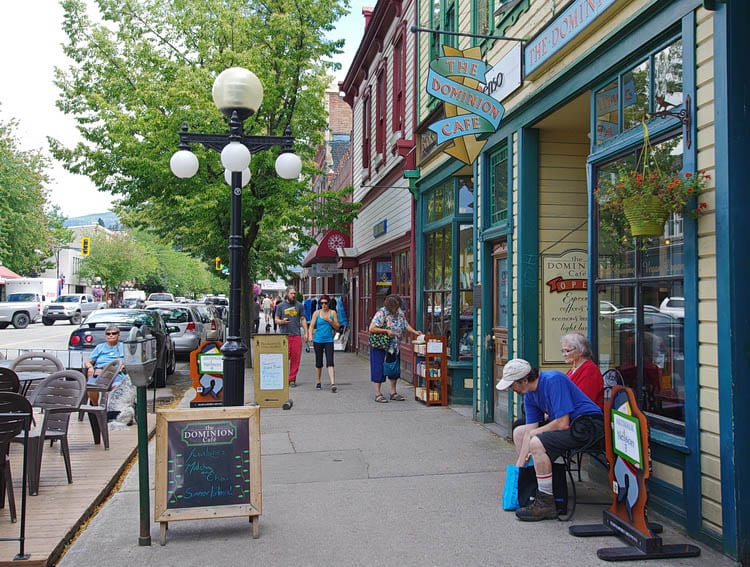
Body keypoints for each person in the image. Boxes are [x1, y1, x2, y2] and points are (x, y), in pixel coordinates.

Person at [497, 358, 603, 521]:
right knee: (520, 432)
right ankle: (532, 487)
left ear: (524, 380)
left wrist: (535, 434)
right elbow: (530, 430)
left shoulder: (553, 380)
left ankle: (546, 502)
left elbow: (562, 423)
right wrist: (520, 466)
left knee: (536, 442)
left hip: (588, 425)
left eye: (512, 385)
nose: (511, 389)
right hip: (572, 426)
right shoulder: (529, 394)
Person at [368, 294, 421, 403]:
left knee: (394, 369)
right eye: (395, 307)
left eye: (397, 307)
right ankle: (378, 393)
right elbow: (372, 328)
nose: (396, 309)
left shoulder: (399, 312)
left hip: (394, 346)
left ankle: (393, 392)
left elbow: (405, 324)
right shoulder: (381, 313)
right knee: (378, 368)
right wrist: (386, 331)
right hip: (381, 346)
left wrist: (414, 332)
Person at [84, 325, 126, 405]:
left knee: (117, 388)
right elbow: (88, 361)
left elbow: (130, 361)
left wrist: (123, 366)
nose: (111, 335)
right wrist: (90, 367)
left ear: (118, 335)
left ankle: (111, 408)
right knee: (91, 387)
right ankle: (96, 408)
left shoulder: (123, 347)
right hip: (100, 372)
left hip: (116, 373)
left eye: (114, 333)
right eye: (108, 333)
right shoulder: (100, 347)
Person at [560, 332, 604, 409]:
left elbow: (583, 402)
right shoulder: (574, 368)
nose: (564, 354)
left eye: (567, 351)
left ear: (580, 351)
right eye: (562, 351)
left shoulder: (590, 370)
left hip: (584, 417)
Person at [275, 286, 308, 387]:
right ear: (287, 294)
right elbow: (276, 319)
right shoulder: (280, 306)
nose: (293, 295)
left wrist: (306, 332)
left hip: (296, 335)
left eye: (294, 293)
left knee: (295, 359)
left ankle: (292, 379)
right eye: (291, 293)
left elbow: (302, 319)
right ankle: (282, 378)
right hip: (284, 336)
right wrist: (282, 321)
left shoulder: (299, 305)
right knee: (283, 358)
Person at [307, 294, 340, 392]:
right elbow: (312, 325)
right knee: (319, 362)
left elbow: (337, 326)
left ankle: (333, 383)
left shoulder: (332, 313)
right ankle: (318, 382)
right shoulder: (317, 313)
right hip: (318, 340)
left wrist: (330, 321)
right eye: (322, 303)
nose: (324, 305)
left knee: (330, 361)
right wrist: (310, 335)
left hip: (329, 340)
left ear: (329, 303)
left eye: (325, 303)